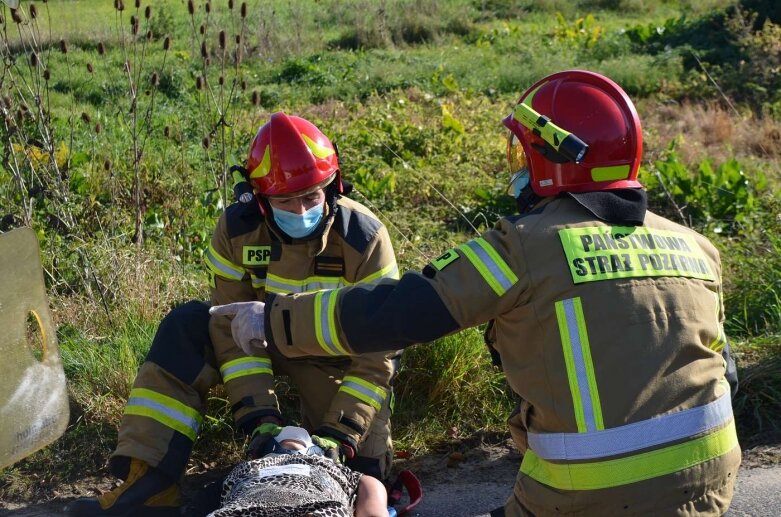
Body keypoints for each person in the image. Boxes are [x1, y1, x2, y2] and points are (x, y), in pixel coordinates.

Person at [214, 70, 741, 516]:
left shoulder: (524, 247)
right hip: (711, 489)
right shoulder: (696, 247)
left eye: (524, 152)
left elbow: (405, 310)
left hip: (583, 495)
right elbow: (724, 369)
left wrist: (274, 322)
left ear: (550, 159)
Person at [65, 112, 400, 516]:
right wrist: (258, 416)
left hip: (339, 360)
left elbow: (380, 348)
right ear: (259, 200)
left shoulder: (364, 237)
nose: (301, 209)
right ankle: (150, 481)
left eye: (313, 196)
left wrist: (340, 432)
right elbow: (230, 330)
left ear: (334, 185)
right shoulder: (236, 231)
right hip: (260, 342)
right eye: (284, 201)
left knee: (363, 475)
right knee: (187, 325)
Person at [205, 425, 388, 517]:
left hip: (317, 509)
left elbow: (369, 484)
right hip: (246, 510)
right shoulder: (246, 468)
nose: (291, 442)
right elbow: (370, 485)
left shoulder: (335, 468)